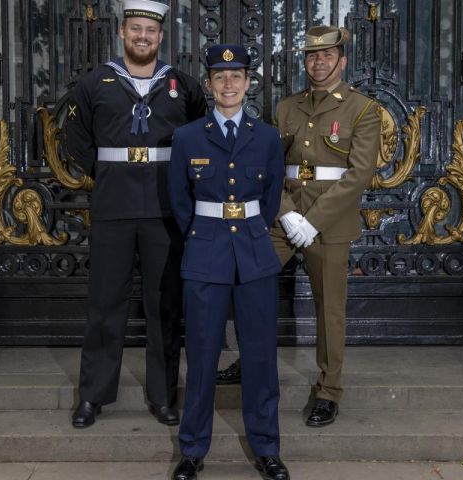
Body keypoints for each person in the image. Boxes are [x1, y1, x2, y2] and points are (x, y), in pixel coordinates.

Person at [216, 25, 380, 428]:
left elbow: (358, 175)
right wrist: (287, 212)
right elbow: (273, 166)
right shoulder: (288, 107)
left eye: (326, 55)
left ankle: (329, 390)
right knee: (250, 283)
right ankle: (250, 359)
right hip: (284, 215)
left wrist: (314, 221)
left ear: (342, 60)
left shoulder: (362, 108)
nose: (318, 62)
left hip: (330, 221)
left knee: (330, 309)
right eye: (311, 56)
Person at [66, 0, 207, 429]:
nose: (143, 36)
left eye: (151, 30)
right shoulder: (94, 84)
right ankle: (92, 396)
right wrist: (106, 173)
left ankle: (164, 396)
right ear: (122, 33)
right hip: (113, 206)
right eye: (136, 29)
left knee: (165, 305)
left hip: (166, 208)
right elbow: (76, 140)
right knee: (105, 305)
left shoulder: (183, 85)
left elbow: (199, 135)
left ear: (161, 36)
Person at [168, 45, 289, 480]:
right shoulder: (187, 138)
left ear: (248, 83)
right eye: (220, 77)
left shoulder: (269, 137)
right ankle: (192, 450)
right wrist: (203, 235)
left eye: (236, 76)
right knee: (201, 356)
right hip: (206, 253)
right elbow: (180, 203)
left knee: (260, 357)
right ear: (209, 85)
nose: (228, 84)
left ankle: (267, 448)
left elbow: (270, 197)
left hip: (255, 254)